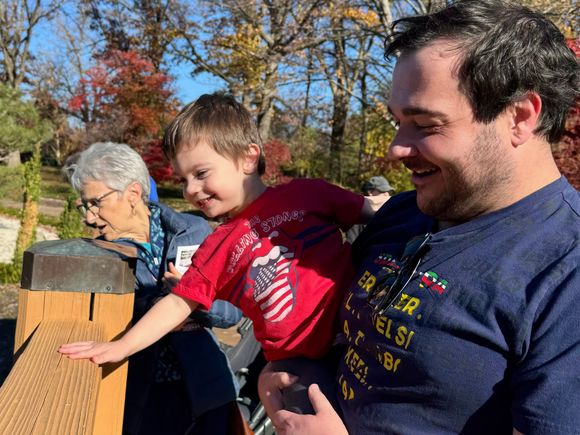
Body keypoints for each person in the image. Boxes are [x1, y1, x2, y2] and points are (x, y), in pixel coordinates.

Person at [258, 0, 580, 433]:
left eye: (425, 125)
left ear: (519, 117)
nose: (396, 148)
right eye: (396, 122)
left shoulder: (566, 270)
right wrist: (284, 374)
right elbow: (342, 336)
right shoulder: (403, 213)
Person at [59, 93, 381, 414]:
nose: (190, 190)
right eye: (183, 180)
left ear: (248, 158)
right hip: (298, 366)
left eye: (200, 174)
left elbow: (377, 213)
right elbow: (177, 303)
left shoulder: (307, 194)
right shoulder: (219, 245)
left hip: (362, 335)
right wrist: (121, 346)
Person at [64, 142, 242, 435]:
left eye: (95, 203)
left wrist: (197, 303)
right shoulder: (99, 256)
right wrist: (165, 305)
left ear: (133, 194)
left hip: (208, 387)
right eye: (84, 205)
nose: (88, 217)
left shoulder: (193, 231)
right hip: (144, 398)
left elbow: (232, 311)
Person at [346, 176, 395, 243]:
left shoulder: (390, 215)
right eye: (382, 191)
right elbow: (352, 247)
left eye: (388, 191)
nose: (387, 194)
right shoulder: (357, 219)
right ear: (370, 192)